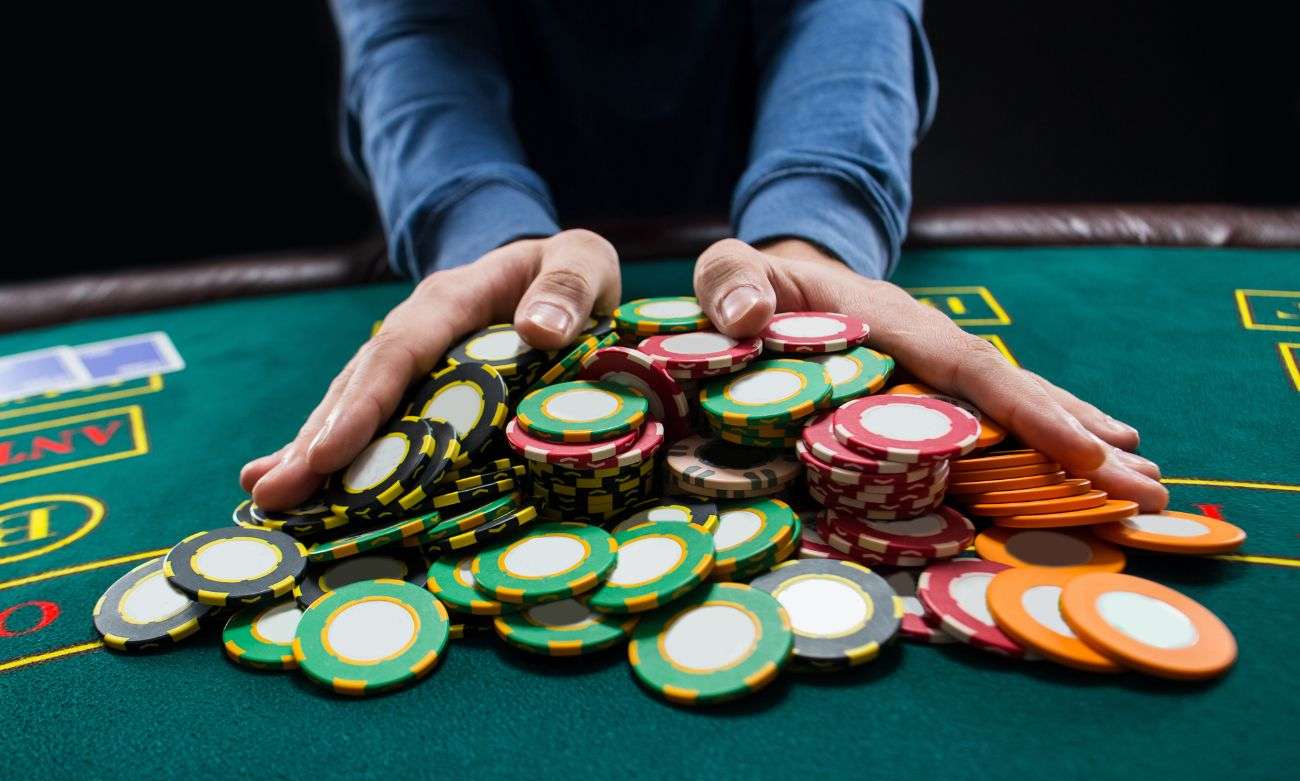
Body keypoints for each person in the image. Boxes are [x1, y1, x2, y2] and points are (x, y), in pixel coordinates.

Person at [243, 0, 1167, 513]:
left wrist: (812, 236)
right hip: (519, 210)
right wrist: (486, 235)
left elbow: (845, 14)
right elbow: (411, 35)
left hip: (766, 198)